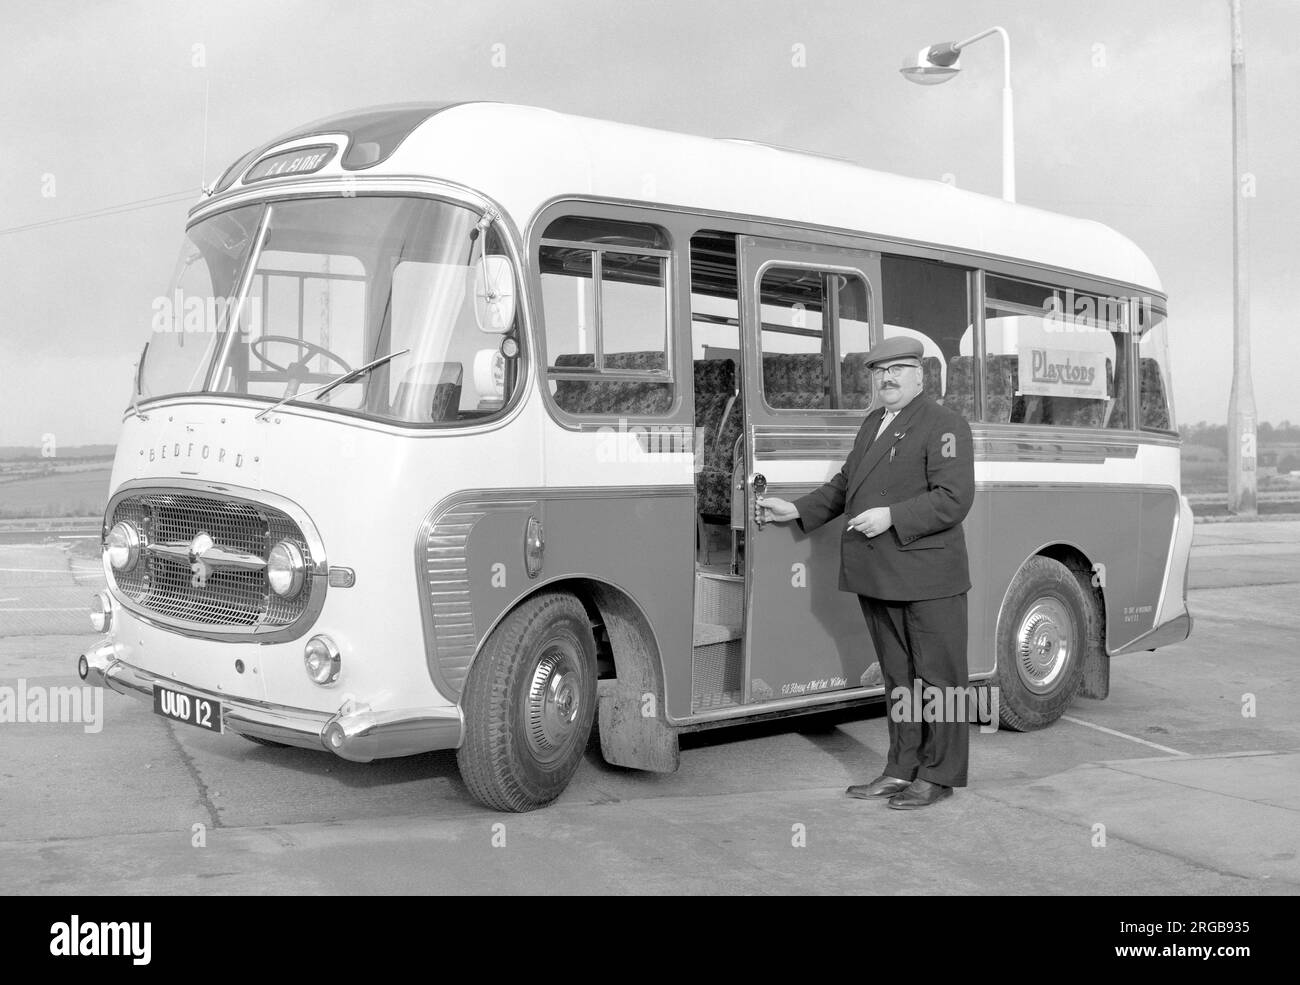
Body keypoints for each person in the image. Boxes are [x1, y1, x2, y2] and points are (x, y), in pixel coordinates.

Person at [756, 336, 975, 809]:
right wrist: (794, 510)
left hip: (928, 575)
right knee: (900, 678)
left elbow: (954, 498)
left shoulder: (945, 424)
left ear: (920, 375)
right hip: (882, 573)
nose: (888, 378)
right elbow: (845, 485)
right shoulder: (874, 422)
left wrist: (892, 516)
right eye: (879, 372)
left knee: (940, 679)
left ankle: (939, 774)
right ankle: (902, 767)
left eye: (898, 369)